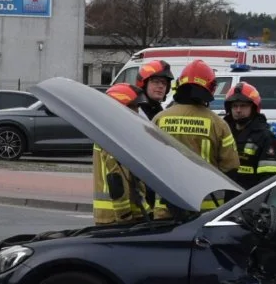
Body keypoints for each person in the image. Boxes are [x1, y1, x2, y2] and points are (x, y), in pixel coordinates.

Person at [153, 59, 240, 214]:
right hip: (206, 209)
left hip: (166, 206)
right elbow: (231, 166)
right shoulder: (218, 124)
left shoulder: (159, 119)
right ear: (210, 89)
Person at [93, 84, 153, 225]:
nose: (137, 112)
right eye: (133, 107)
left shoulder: (108, 132)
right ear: (119, 108)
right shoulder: (114, 137)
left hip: (113, 215)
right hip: (118, 217)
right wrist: (124, 217)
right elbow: (116, 179)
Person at [222, 81, 276, 189]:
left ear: (254, 108)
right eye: (234, 106)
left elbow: (271, 179)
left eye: (243, 106)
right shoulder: (224, 132)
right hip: (227, 199)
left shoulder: (266, 137)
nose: (238, 110)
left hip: (250, 199)